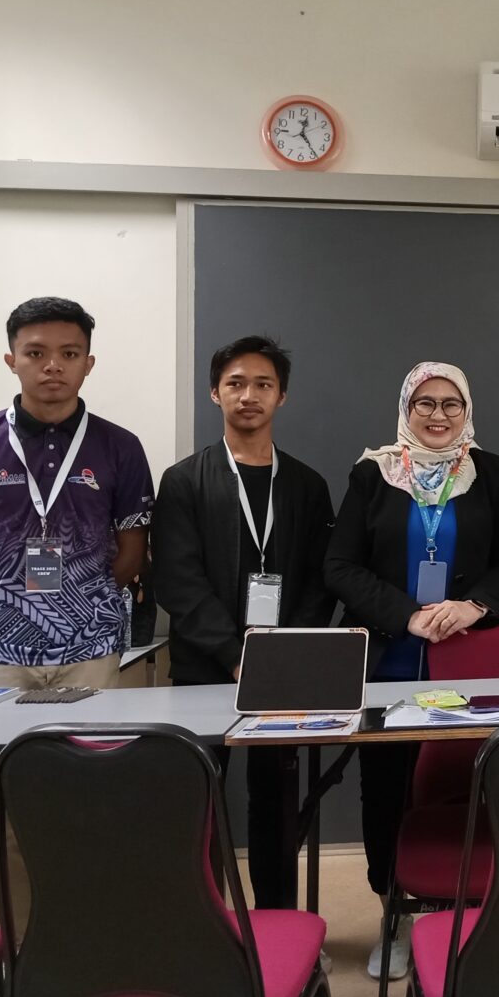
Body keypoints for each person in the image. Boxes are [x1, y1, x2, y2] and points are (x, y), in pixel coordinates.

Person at [0, 297, 153, 932]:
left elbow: (131, 553)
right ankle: (8, 949)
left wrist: (76, 608)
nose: (52, 365)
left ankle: (85, 945)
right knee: (0, 813)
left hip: (90, 655)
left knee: (91, 803)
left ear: (88, 363)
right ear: (12, 360)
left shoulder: (119, 447)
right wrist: (17, 609)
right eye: (36, 353)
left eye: (68, 353)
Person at [324, 361, 499, 979]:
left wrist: (475, 605)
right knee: (385, 786)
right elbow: (340, 566)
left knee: (470, 780)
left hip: (469, 661)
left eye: (451, 404)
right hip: (390, 660)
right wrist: (406, 615)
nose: (438, 415)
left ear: (467, 411)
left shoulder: (492, 472)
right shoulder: (374, 472)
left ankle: (472, 913)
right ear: (405, 409)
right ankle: (395, 913)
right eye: (425, 403)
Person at [152, 335, 336, 909]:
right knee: (198, 797)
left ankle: (279, 922)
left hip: (282, 673)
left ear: (282, 396)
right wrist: (236, 655)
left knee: (277, 800)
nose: (248, 395)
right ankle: (204, 924)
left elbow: (320, 579)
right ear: (215, 393)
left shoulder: (307, 486)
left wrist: (278, 657)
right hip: (205, 666)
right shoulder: (184, 481)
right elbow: (178, 580)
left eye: (263, 384)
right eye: (235, 383)